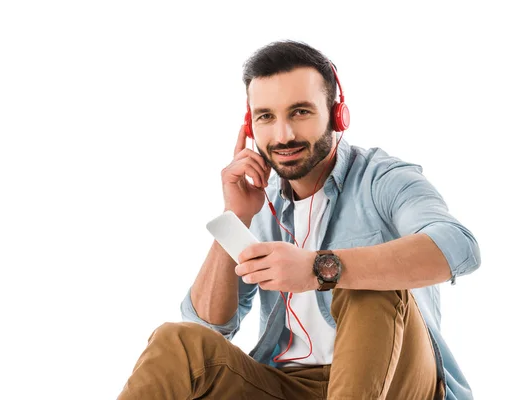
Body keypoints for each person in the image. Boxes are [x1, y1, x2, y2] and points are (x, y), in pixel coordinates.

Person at [117, 40, 480, 400]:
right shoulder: (262, 200)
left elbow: (459, 247)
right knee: (177, 342)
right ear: (250, 125)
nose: (283, 135)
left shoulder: (382, 178)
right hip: (287, 385)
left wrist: (318, 268)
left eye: (300, 112)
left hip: (398, 382)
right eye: (266, 117)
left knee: (367, 288)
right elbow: (208, 326)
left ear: (338, 115)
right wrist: (236, 218)